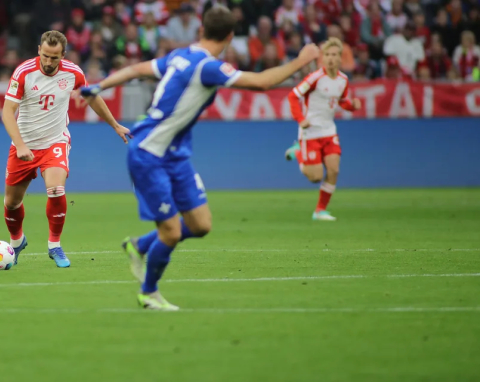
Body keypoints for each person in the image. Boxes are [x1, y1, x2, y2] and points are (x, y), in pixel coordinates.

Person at [79, 6, 320, 310]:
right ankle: (148, 293)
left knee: (201, 225)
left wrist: (101, 84)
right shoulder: (208, 67)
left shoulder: (181, 55)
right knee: (171, 231)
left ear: (201, 30)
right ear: (230, 36)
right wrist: (301, 60)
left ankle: (139, 245)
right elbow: (261, 83)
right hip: (149, 153)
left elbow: (138, 69)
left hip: (176, 155)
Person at [2, 31, 130, 268]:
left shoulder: (73, 73)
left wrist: (114, 125)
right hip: (25, 144)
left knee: (56, 188)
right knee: (11, 203)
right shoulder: (24, 72)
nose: (49, 62)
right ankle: (17, 241)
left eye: (54, 58)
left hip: (55, 141)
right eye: (46, 56)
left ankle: (54, 245)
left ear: (63, 55)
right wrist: (20, 144)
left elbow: (92, 98)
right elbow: (7, 112)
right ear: (39, 49)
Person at [284, 37, 362, 221]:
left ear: (340, 58)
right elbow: (293, 96)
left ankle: (319, 211)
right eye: (327, 55)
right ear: (322, 58)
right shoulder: (315, 78)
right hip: (310, 132)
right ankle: (298, 152)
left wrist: (352, 106)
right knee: (315, 177)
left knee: (334, 170)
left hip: (329, 131)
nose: (330, 58)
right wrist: (301, 119)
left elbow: (341, 101)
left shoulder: (343, 80)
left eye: (334, 55)